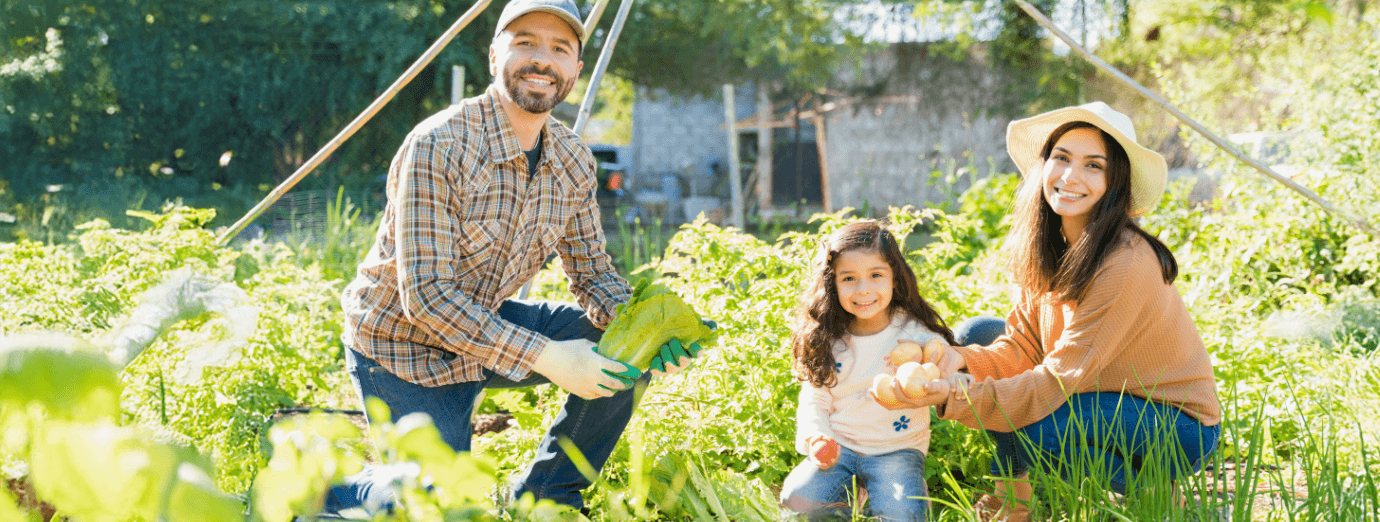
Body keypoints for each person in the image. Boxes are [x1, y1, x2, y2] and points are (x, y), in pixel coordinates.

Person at [325, 0, 706, 514]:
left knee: (614, 344)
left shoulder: (572, 159)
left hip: (484, 325)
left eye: (560, 48)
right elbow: (429, 298)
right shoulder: (439, 144)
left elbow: (593, 273)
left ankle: (549, 493)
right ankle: (332, 486)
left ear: (575, 68)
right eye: (525, 41)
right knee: (431, 506)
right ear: (494, 55)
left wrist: (647, 331)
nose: (541, 60)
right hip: (401, 346)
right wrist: (548, 357)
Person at [872, 102, 1222, 521]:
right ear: (1044, 165)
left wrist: (955, 394)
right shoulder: (1054, 244)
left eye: (1094, 165)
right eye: (1062, 158)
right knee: (978, 333)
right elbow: (1022, 344)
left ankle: (1155, 495)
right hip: (1099, 393)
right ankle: (1014, 497)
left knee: (1031, 427)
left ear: (1115, 182)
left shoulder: (1125, 262)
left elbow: (1056, 380)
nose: (1071, 177)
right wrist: (957, 360)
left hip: (1173, 422)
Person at [779, 221, 959, 522]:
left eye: (876, 275)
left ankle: (906, 494)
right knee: (796, 498)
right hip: (841, 446)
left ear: (894, 279)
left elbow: (942, 356)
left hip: (897, 449)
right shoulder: (830, 339)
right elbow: (815, 400)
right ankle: (850, 498)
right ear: (832, 282)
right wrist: (817, 437)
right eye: (849, 278)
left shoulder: (912, 333)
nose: (863, 290)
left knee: (902, 514)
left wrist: (936, 365)